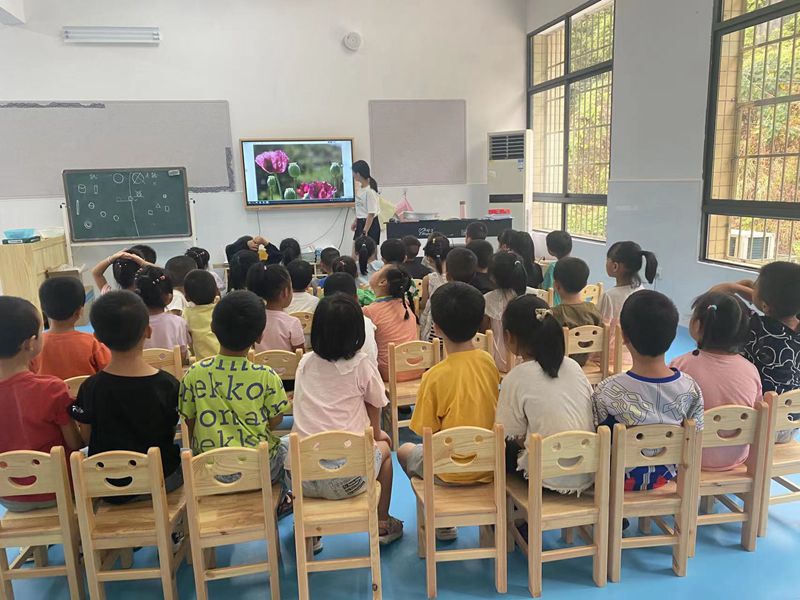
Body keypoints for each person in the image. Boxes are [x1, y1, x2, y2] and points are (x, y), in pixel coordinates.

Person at [290, 294, 403, 547]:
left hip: (302, 478)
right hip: (349, 479)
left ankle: (309, 531)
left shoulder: (305, 363)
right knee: (385, 451)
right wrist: (377, 434)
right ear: (357, 332)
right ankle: (382, 522)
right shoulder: (361, 364)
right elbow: (375, 403)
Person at [398, 283, 500, 540]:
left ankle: (442, 522)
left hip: (447, 471)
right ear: (479, 324)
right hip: (490, 466)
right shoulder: (488, 362)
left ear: (438, 328)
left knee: (404, 451)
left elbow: (424, 431)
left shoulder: (434, 376)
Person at [179, 290, 291, 511]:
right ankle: (284, 501)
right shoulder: (266, 376)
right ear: (259, 337)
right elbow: (275, 420)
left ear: (213, 328)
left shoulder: (194, 373)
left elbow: (189, 421)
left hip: (209, 471)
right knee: (288, 447)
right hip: (258, 470)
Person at [70, 291, 183, 502]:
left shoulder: (90, 387)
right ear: (148, 331)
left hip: (107, 485)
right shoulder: (167, 385)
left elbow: (87, 437)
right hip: (160, 480)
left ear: (97, 337)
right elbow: (169, 431)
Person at [592, 290, 703, 491]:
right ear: (673, 336)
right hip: (667, 477)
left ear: (624, 336)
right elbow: (697, 436)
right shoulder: (690, 388)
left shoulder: (607, 390)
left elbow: (597, 439)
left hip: (618, 480)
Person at [496, 295, 594, 493]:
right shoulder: (573, 366)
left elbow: (506, 431)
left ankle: (511, 510)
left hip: (545, 477)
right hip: (588, 470)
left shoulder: (516, 377)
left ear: (509, 337)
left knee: (500, 447)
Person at [0, 296, 82, 512]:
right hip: (60, 491)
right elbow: (74, 443)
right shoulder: (52, 388)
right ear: (29, 343)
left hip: (10, 497)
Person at [669, 292, 760, 470]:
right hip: (736, 458)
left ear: (696, 325)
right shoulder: (751, 370)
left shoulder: (679, 366)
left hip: (688, 459)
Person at [711, 261, 800, 442]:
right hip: (790, 424)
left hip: (757, 424)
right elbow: (772, 304)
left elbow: (713, 297)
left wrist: (734, 287)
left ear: (766, 306)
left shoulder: (754, 326)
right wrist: (755, 293)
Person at [33, 277, 110, 380]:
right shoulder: (92, 343)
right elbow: (110, 371)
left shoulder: (34, 345)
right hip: (86, 390)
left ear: (42, 309)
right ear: (79, 311)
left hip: (47, 391)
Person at [363, 265, 418, 381]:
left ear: (382, 282)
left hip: (389, 373)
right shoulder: (405, 305)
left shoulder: (369, 311)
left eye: (379, 270)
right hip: (417, 368)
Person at [484, 251, 536, 372]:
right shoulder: (535, 295)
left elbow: (485, 330)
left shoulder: (487, 299)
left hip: (498, 361)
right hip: (531, 359)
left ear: (493, 278)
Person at [550, 257, 603, 366]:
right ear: (585, 285)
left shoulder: (555, 313)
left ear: (556, 285)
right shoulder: (593, 309)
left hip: (560, 364)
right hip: (586, 362)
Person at [134, 266, 191, 361]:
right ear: (168, 297)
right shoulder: (178, 323)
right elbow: (182, 356)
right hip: (172, 370)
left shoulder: (132, 324)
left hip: (141, 370)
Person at [247, 263, 305, 353]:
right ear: (285, 292)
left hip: (259, 362)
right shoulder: (293, 323)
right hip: (288, 363)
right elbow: (300, 355)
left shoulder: (254, 319)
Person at [324, 273, 378, 365]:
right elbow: (372, 358)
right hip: (367, 371)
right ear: (356, 298)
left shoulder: (321, 321)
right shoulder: (366, 323)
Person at [418, 233, 450, 341]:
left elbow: (423, 305)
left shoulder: (428, 279)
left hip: (433, 328)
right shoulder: (455, 276)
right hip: (451, 327)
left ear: (429, 259)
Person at [182, 270, 220, 360]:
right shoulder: (221, 308)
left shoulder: (187, 314)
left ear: (186, 297)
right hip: (226, 356)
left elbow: (188, 341)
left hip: (203, 361)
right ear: (216, 291)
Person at [351, 159, 381, 246]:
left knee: (370, 251)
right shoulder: (360, 188)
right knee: (356, 249)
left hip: (369, 224)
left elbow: (371, 213)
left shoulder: (370, 191)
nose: (352, 175)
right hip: (361, 222)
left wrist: (365, 231)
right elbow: (361, 208)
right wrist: (356, 221)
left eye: (353, 172)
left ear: (358, 174)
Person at [542, 231, 573, 305]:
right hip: (574, 305)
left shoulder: (553, 268)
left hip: (556, 306)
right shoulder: (577, 265)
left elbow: (546, 290)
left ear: (551, 250)